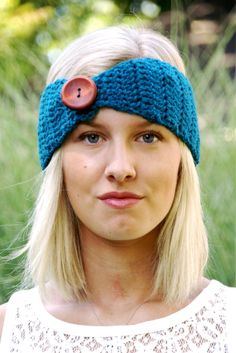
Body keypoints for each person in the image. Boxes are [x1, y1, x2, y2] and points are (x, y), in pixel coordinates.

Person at [0, 25, 235, 352]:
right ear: (59, 164)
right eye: (91, 137)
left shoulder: (228, 327)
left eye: (148, 137)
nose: (121, 168)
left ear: (181, 160)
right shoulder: (8, 333)